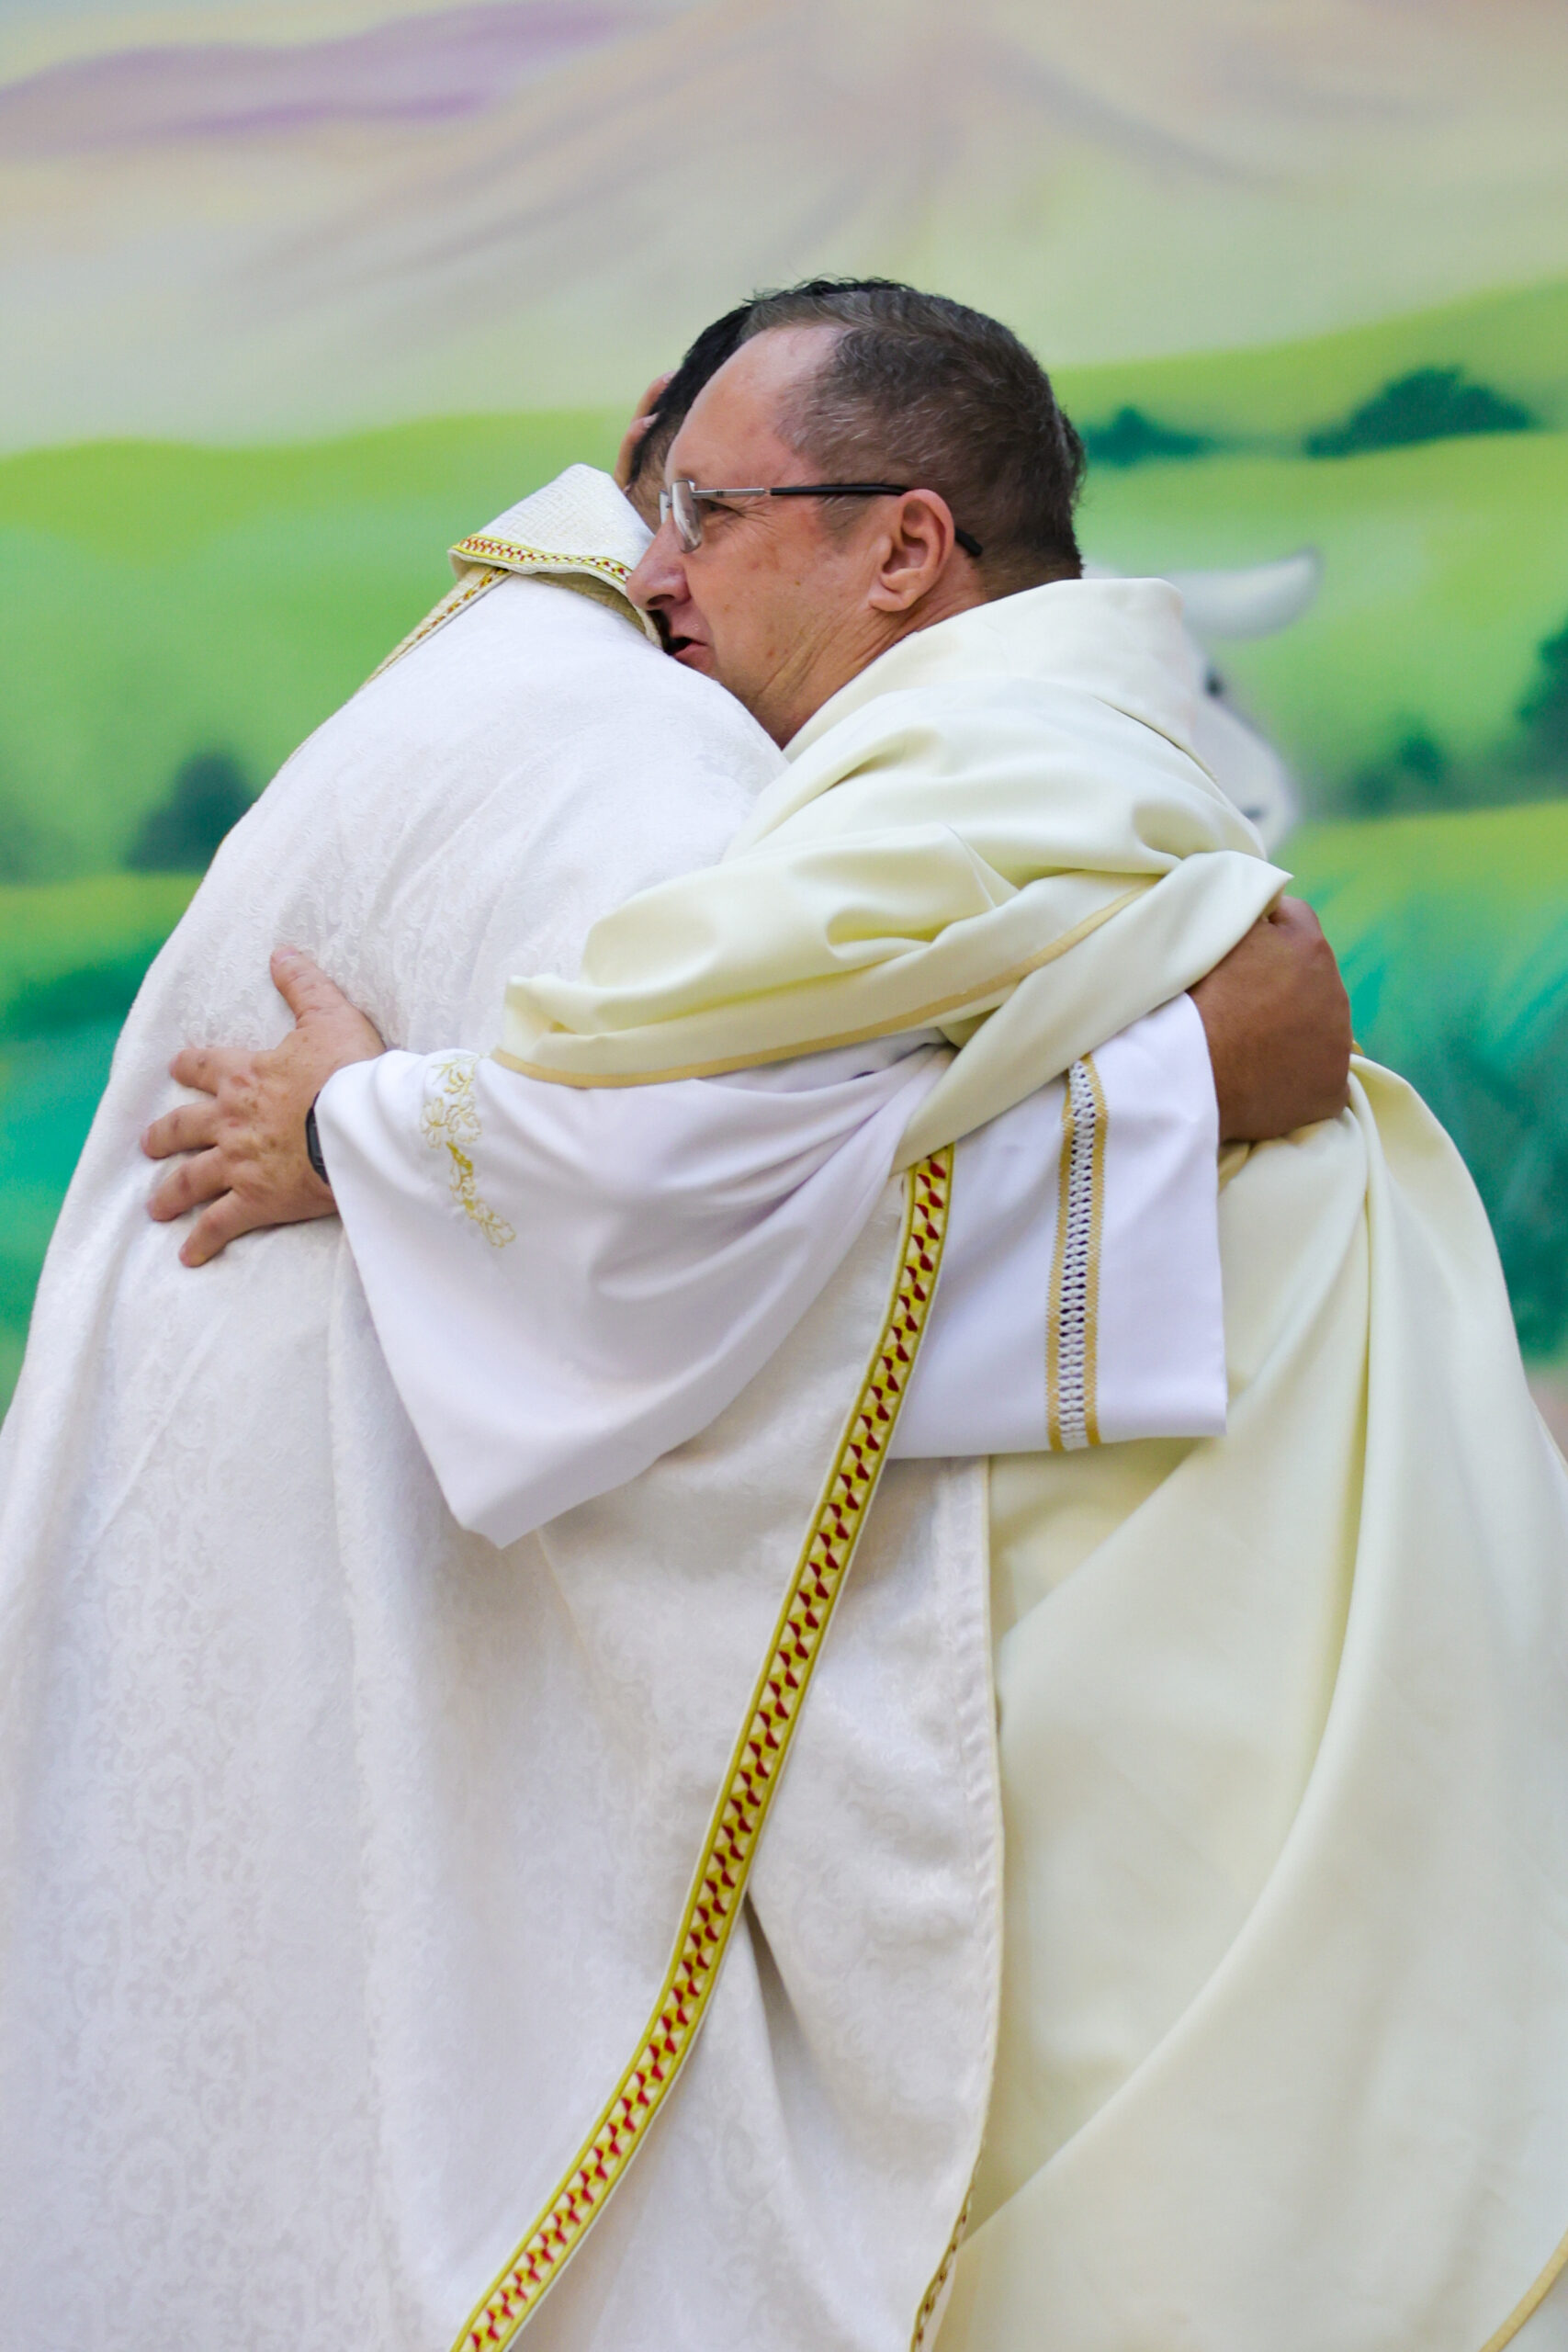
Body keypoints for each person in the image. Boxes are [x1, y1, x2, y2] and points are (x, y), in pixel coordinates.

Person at [141, 283, 1568, 2352]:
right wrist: (1196, 1061)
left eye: (705, 516)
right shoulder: (1079, 754)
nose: (657, 581)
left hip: (1160, 1693)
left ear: (904, 546)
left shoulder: (972, 771)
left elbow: (651, 1134)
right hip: (1233, 1638)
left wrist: (361, 1128)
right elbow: (878, 1183)